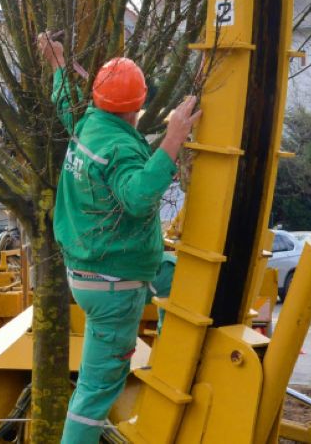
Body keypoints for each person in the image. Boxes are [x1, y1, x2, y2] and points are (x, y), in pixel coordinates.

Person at [38, 32, 200, 444]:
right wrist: (173, 138)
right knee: (95, 394)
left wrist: (58, 63)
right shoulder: (121, 149)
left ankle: (170, 357)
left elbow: (64, 101)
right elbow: (138, 197)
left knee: (178, 278)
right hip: (115, 284)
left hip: (99, 272)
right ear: (137, 107)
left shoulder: (87, 123)